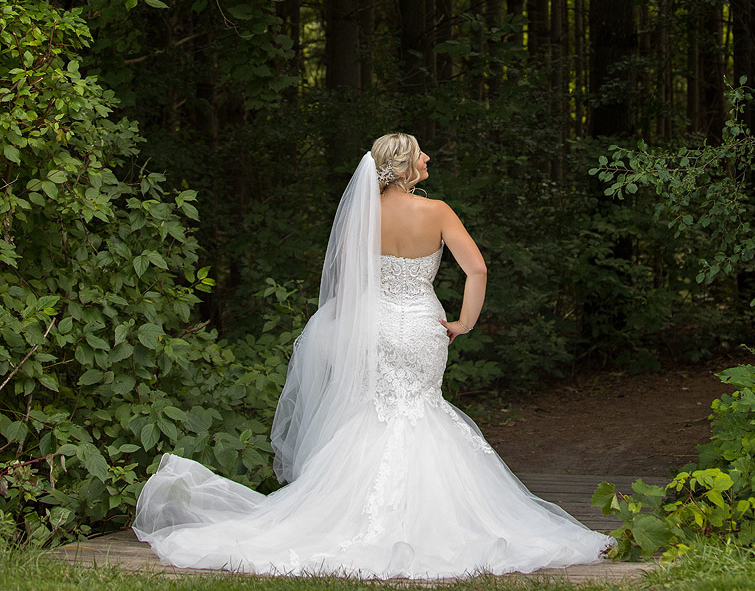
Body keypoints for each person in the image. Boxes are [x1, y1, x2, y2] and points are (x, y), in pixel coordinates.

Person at [133, 133, 612, 577]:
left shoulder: (363, 214)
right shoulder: (438, 211)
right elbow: (477, 268)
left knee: (376, 413)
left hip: (375, 325)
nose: (428, 158)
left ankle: (350, 516)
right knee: (420, 409)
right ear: (405, 166)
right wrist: (464, 323)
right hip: (423, 325)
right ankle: (433, 521)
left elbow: (345, 283)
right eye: (421, 153)